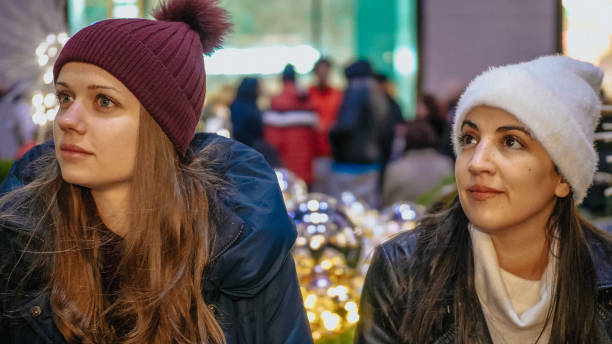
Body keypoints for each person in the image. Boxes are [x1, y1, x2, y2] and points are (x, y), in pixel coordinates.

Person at [0, 0, 312, 343]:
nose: (67, 120)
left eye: (104, 101)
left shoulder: (242, 246)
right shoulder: (21, 239)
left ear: (160, 127)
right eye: (64, 97)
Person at [356, 56, 612, 343]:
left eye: (511, 141)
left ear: (563, 178)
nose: (477, 163)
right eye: (469, 139)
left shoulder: (606, 277)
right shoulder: (402, 273)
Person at [327, 60, 390, 208]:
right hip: (371, 160)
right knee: (367, 208)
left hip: (350, 163)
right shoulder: (377, 93)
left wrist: (331, 134)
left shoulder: (357, 90)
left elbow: (346, 126)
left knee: (345, 210)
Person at [264, 64, 318, 184]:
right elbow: (315, 136)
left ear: (282, 80)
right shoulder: (307, 101)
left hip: (285, 164)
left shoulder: (276, 101)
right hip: (306, 164)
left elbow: (272, 140)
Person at [381, 119, 453, 207]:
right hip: (439, 217)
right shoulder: (446, 164)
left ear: (406, 140)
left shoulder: (395, 169)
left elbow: (386, 202)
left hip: (402, 219)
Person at [230, 77, 281, 167]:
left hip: (248, 150)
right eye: (258, 87)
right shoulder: (244, 107)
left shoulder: (244, 104)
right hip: (249, 151)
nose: (260, 90)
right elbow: (240, 132)